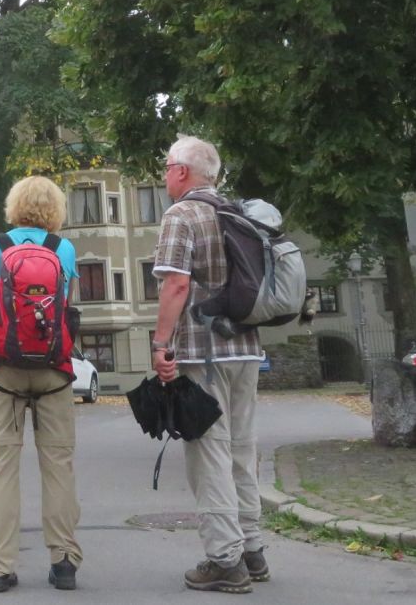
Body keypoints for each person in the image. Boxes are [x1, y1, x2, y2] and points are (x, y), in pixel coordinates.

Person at [151, 135, 268, 593]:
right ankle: (252, 550)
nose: (165, 175)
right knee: (242, 449)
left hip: (204, 352)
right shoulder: (236, 213)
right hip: (246, 347)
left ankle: (225, 560)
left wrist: (161, 344)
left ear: (181, 171)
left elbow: (176, 285)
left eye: (167, 167)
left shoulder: (182, 215)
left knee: (209, 453)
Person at [0, 177, 82, 593]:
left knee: (2, 464)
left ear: (14, 206)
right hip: (53, 369)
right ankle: (64, 561)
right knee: (58, 463)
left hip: (2, 369)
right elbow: (66, 312)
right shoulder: (63, 249)